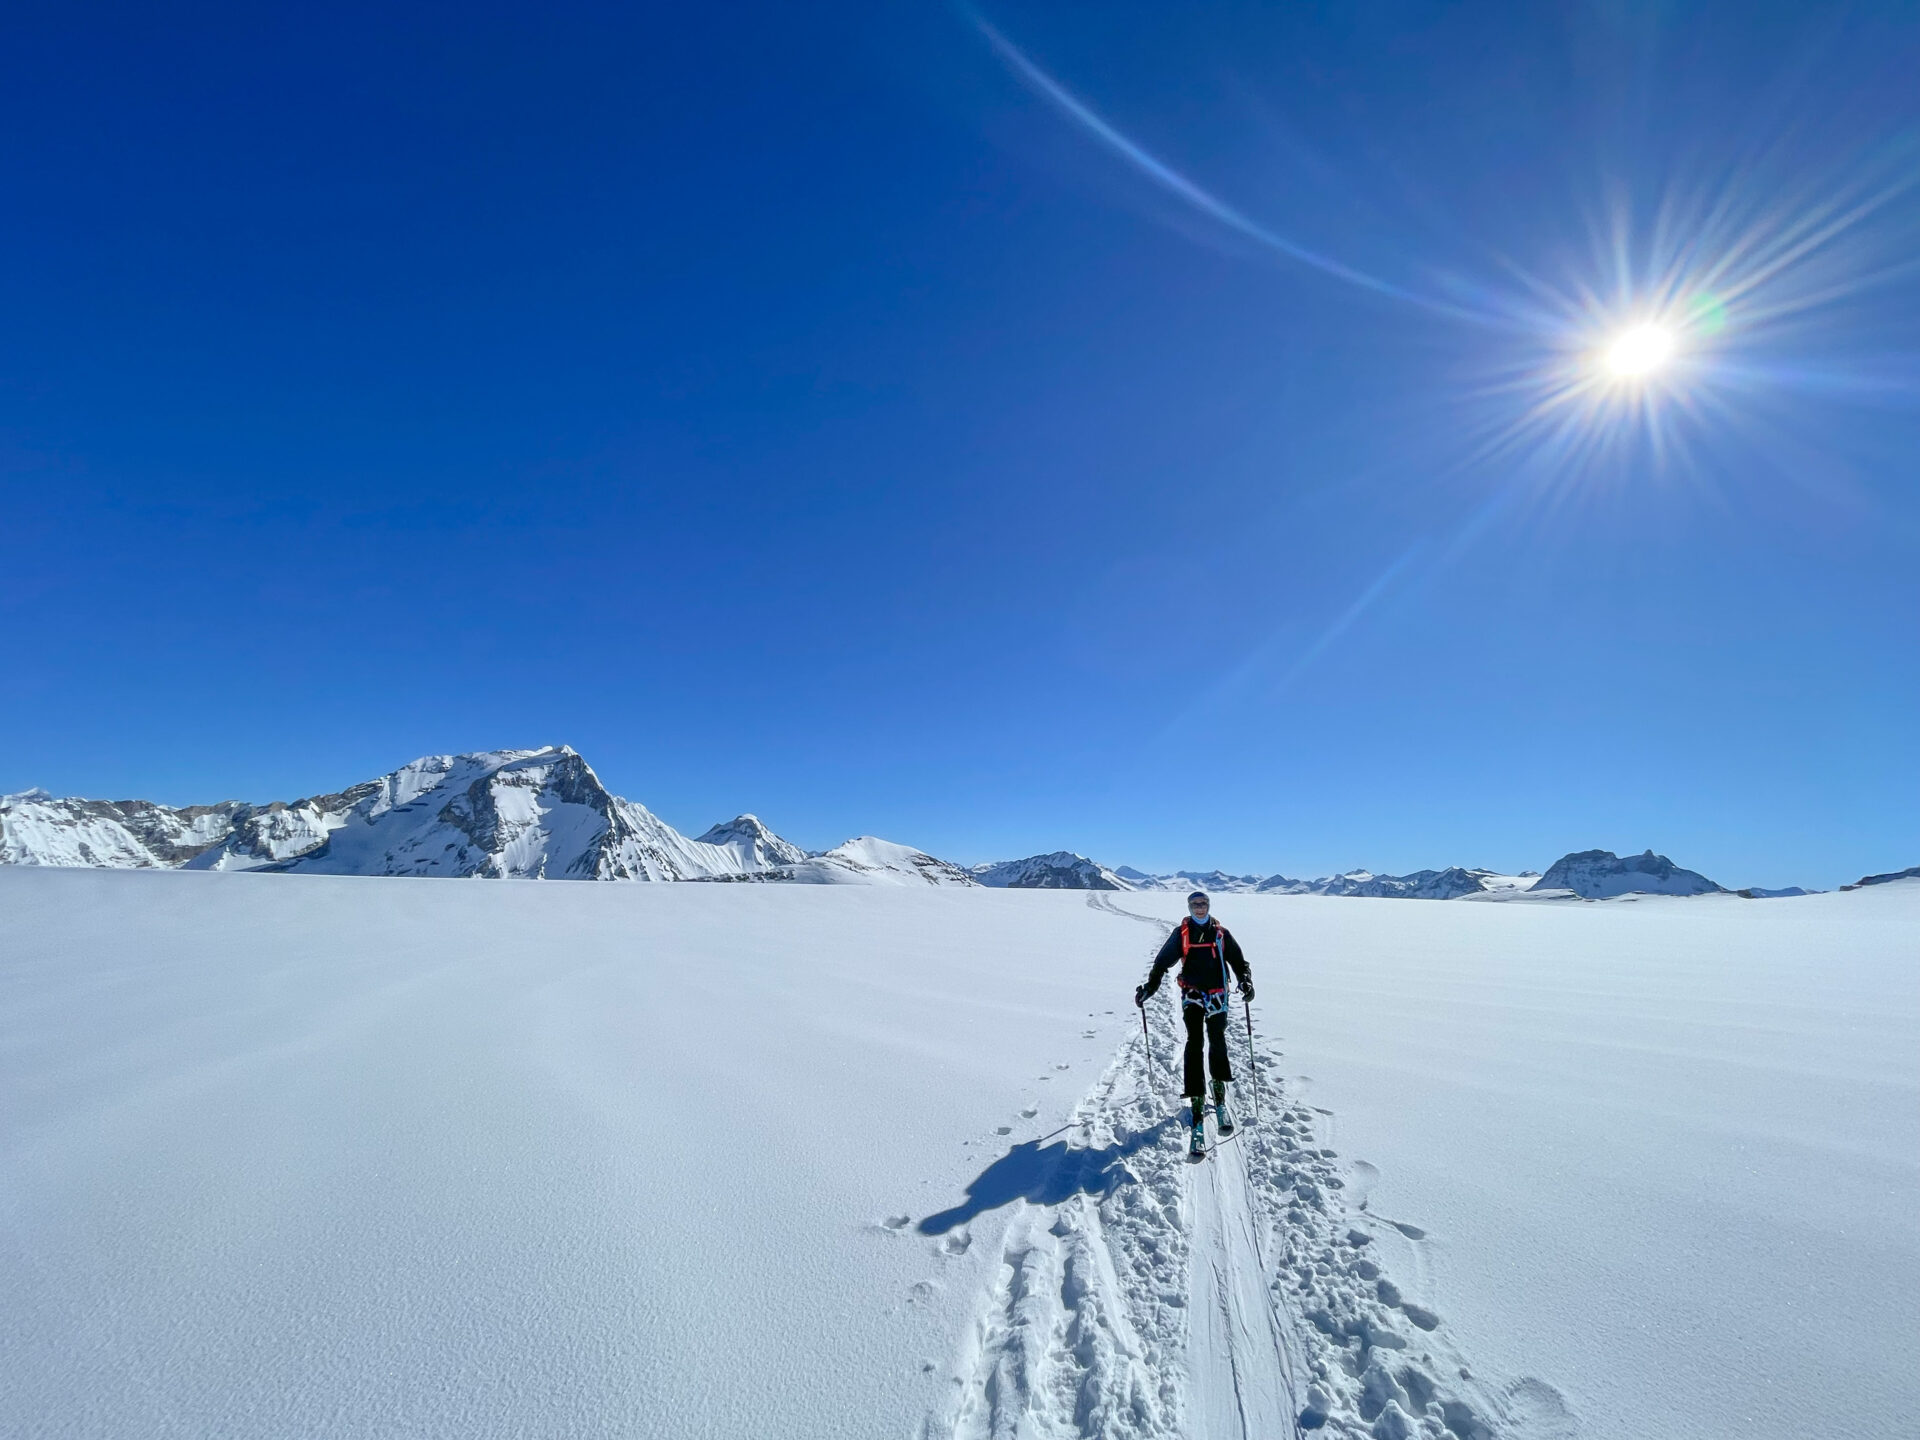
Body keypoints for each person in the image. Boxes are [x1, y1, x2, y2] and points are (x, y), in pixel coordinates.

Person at [1134, 890, 1254, 1155]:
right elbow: (1161, 963)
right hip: (1193, 996)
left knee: (1218, 1042)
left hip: (1218, 997)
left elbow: (1238, 960)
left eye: (1203, 904)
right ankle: (1197, 1097)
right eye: (1195, 904)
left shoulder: (1221, 933)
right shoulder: (1182, 933)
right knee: (1195, 1043)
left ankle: (1218, 1091)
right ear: (1189, 907)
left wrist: (1246, 981)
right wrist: (1149, 989)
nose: (1200, 908)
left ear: (1208, 906)